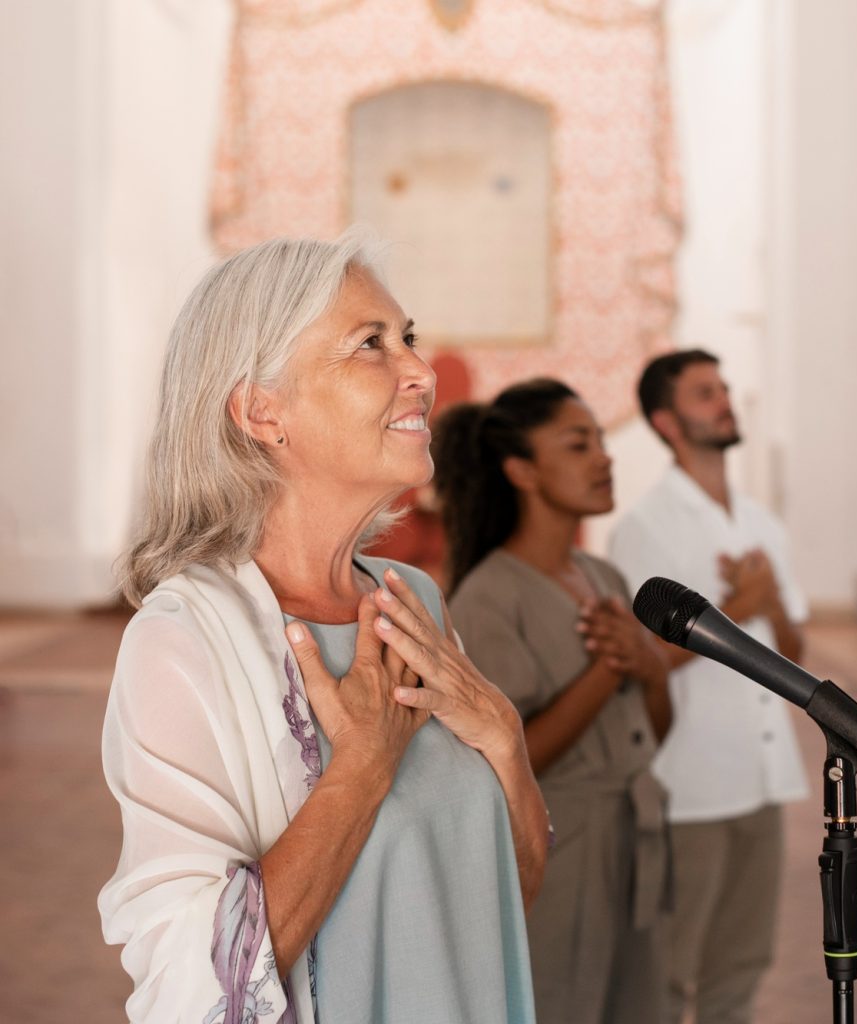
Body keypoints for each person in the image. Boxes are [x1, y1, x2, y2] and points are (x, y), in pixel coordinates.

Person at [97, 233, 550, 1024]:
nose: (420, 371)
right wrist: (362, 768)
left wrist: (505, 738)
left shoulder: (414, 602)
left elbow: (503, 901)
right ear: (261, 410)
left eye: (406, 337)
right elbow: (193, 985)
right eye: (369, 344)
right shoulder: (184, 642)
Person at [431, 378, 672, 1024]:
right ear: (521, 470)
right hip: (560, 848)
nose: (604, 457)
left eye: (600, 440)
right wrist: (608, 667)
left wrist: (648, 667)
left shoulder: (607, 580)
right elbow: (514, 755)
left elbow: (650, 732)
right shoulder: (488, 598)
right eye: (578, 443)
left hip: (636, 839)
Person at [608, 350, 810, 1024]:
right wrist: (735, 610)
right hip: (688, 782)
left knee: (743, 965)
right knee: (671, 971)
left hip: (762, 774)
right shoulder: (642, 528)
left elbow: (796, 656)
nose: (724, 400)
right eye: (703, 393)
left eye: (723, 388)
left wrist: (769, 602)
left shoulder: (761, 522)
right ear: (666, 421)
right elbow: (645, 664)